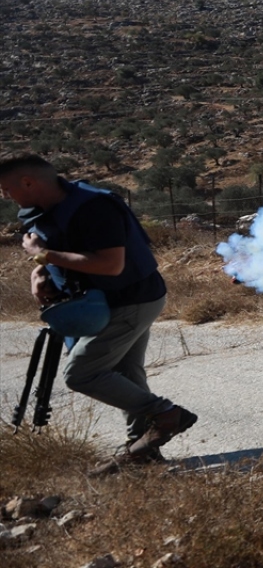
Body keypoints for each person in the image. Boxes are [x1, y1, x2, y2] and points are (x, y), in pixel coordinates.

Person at [0, 155, 196, 474]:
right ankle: (142, 449)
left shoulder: (94, 208)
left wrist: (43, 256)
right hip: (105, 301)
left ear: (28, 182)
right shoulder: (44, 210)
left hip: (130, 300)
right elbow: (57, 249)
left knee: (81, 373)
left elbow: (111, 265)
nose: (4, 196)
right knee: (125, 373)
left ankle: (165, 414)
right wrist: (40, 273)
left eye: (5, 189)